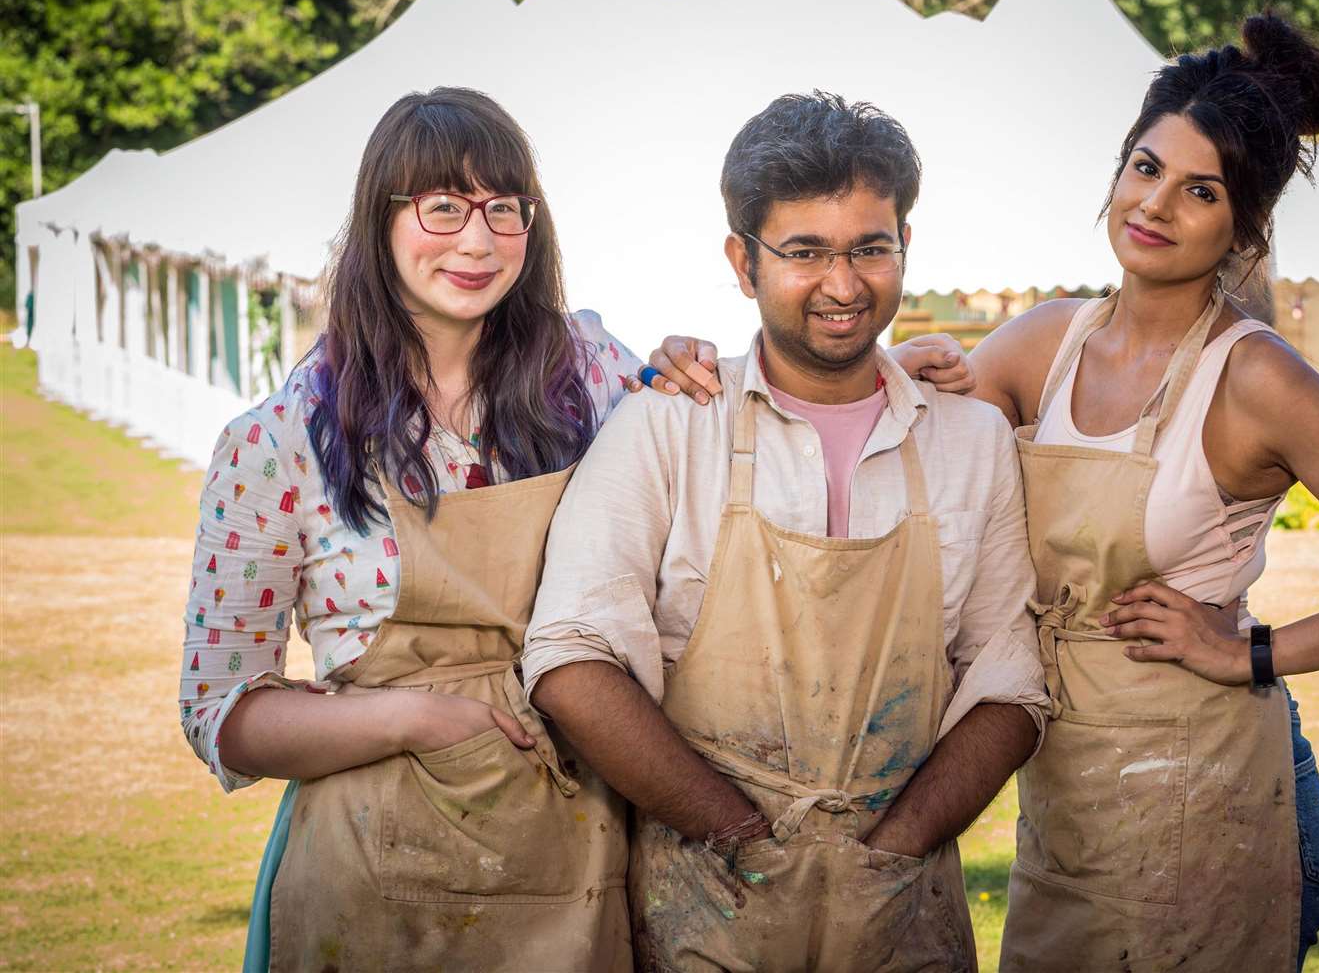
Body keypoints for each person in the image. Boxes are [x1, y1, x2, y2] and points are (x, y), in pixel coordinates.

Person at [892, 12, 1319, 971]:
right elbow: (903, 453)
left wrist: (1255, 651)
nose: (1155, 206)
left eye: (1198, 190)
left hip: (1208, 789)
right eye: (1145, 167)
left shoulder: (1256, 379)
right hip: (1069, 793)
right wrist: (904, 369)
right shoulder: (1045, 343)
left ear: (1241, 224)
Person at [523, 91, 1049, 972]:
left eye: (870, 249)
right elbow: (570, 663)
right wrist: (740, 838)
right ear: (743, 261)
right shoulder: (668, 423)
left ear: (904, 247)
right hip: (703, 906)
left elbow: (1010, 683)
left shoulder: (971, 441)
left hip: (901, 914)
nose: (843, 286)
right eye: (805, 252)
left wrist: (888, 851)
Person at [178, 87, 669, 971]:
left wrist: (877, 366)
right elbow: (223, 715)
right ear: (380, 218)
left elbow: (720, 446)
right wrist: (421, 719)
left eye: (503, 209)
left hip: (579, 847)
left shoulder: (591, 375)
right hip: (371, 867)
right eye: (442, 207)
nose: (477, 242)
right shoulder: (274, 442)